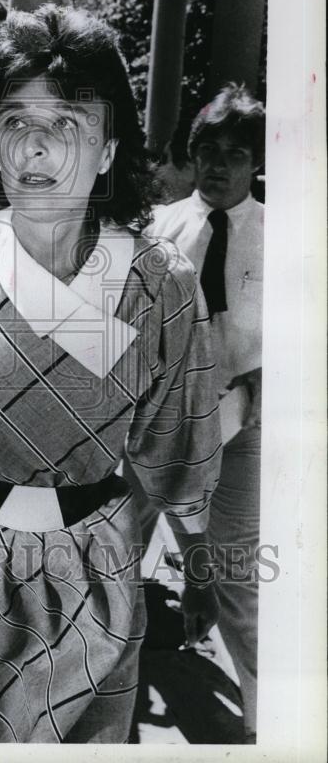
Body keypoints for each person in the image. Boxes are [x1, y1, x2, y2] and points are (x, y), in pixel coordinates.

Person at [0, 5, 223, 743]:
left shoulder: (159, 281)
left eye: (67, 124)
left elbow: (178, 455)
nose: (37, 145)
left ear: (110, 147)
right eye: (17, 120)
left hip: (93, 576)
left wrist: (203, 566)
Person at [141, 84, 265, 741]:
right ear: (191, 157)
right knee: (113, 555)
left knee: (237, 572)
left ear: (254, 163)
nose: (219, 165)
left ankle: (262, 730)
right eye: (207, 150)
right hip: (154, 427)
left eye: (235, 153)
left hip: (243, 426)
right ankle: (111, 691)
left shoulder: (285, 235)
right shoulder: (157, 231)